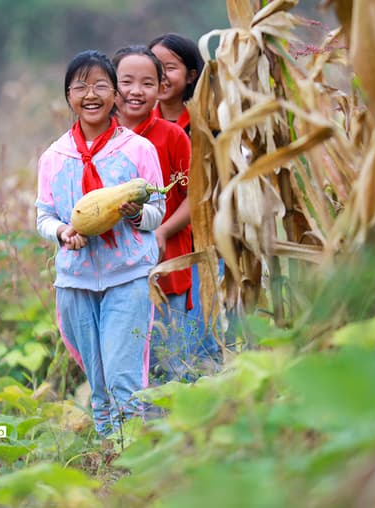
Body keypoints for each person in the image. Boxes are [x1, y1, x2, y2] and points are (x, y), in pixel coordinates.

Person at [35, 49, 165, 437]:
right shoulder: (53, 157)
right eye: (80, 87)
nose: (90, 95)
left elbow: (157, 212)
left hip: (128, 276)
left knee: (124, 378)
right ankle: (109, 459)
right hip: (75, 280)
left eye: (100, 86)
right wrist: (62, 232)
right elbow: (44, 216)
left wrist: (135, 215)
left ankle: (133, 455)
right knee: (99, 384)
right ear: (68, 96)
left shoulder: (139, 150)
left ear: (115, 95)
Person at [112, 45, 193, 383]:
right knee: (122, 365)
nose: (136, 91)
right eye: (126, 82)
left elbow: (194, 198)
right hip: (113, 269)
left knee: (168, 366)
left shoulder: (172, 136)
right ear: (111, 86)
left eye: (147, 83)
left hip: (166, 264)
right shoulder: (99, 136)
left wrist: (162, 231)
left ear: (160, 88)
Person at [148, 33, 223, 367]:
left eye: (170, 68)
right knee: (164, 346)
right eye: (155, 67)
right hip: (157, 249)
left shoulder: (209, 124)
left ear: (192, 75)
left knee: (202, 344)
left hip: (203, 247)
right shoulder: (139, 124)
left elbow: (206, 189)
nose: (161, 76)